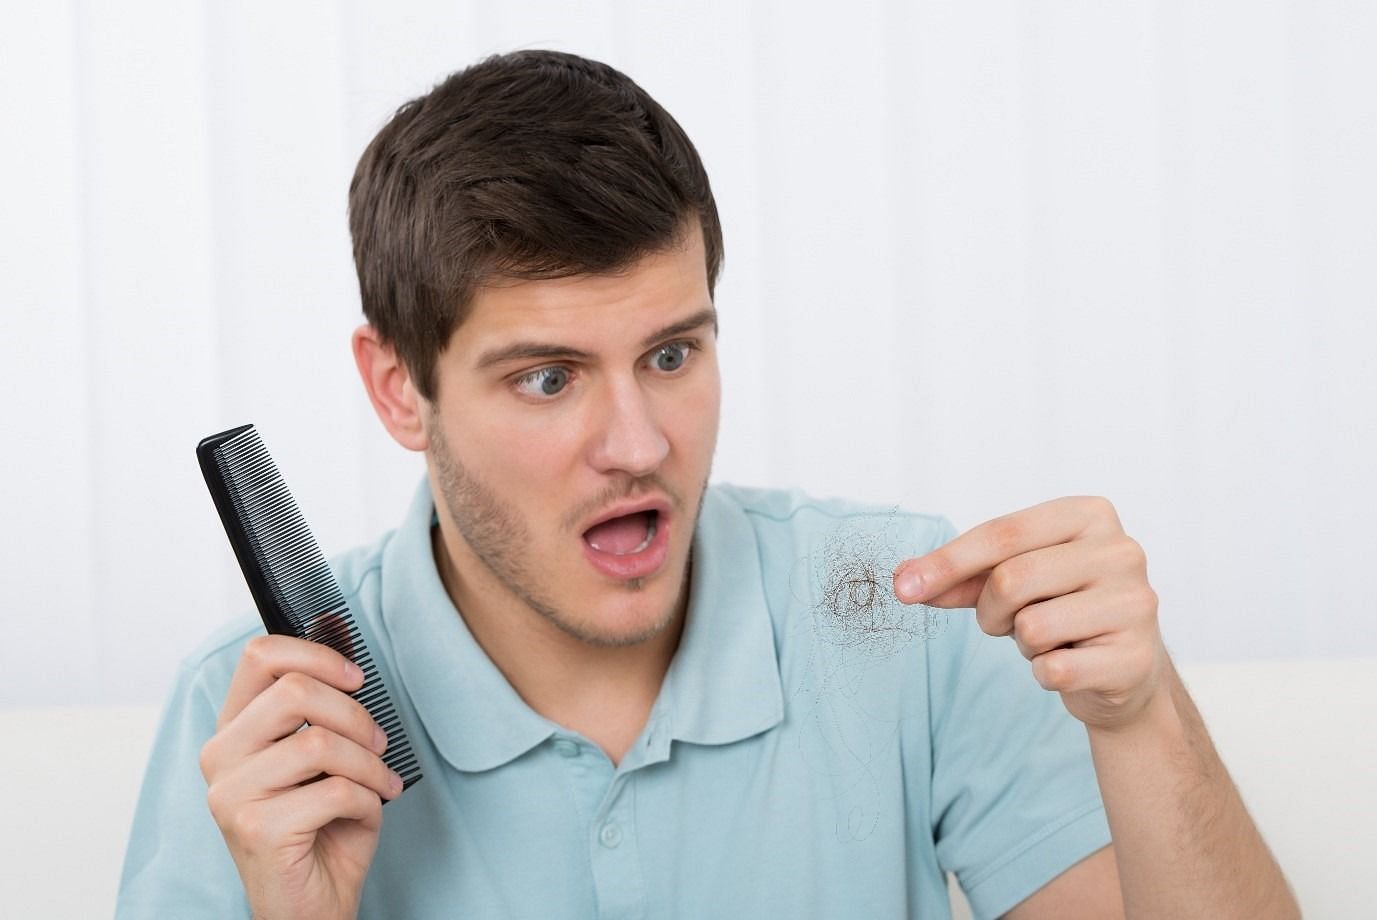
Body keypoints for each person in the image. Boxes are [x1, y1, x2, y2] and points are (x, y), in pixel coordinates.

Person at [116, 49, 1298, 919]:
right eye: (547, 378)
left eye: (672, 354)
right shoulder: (258, 717)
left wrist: (1144, 720)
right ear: (398, 388)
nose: (637, 442)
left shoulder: (898, 614)